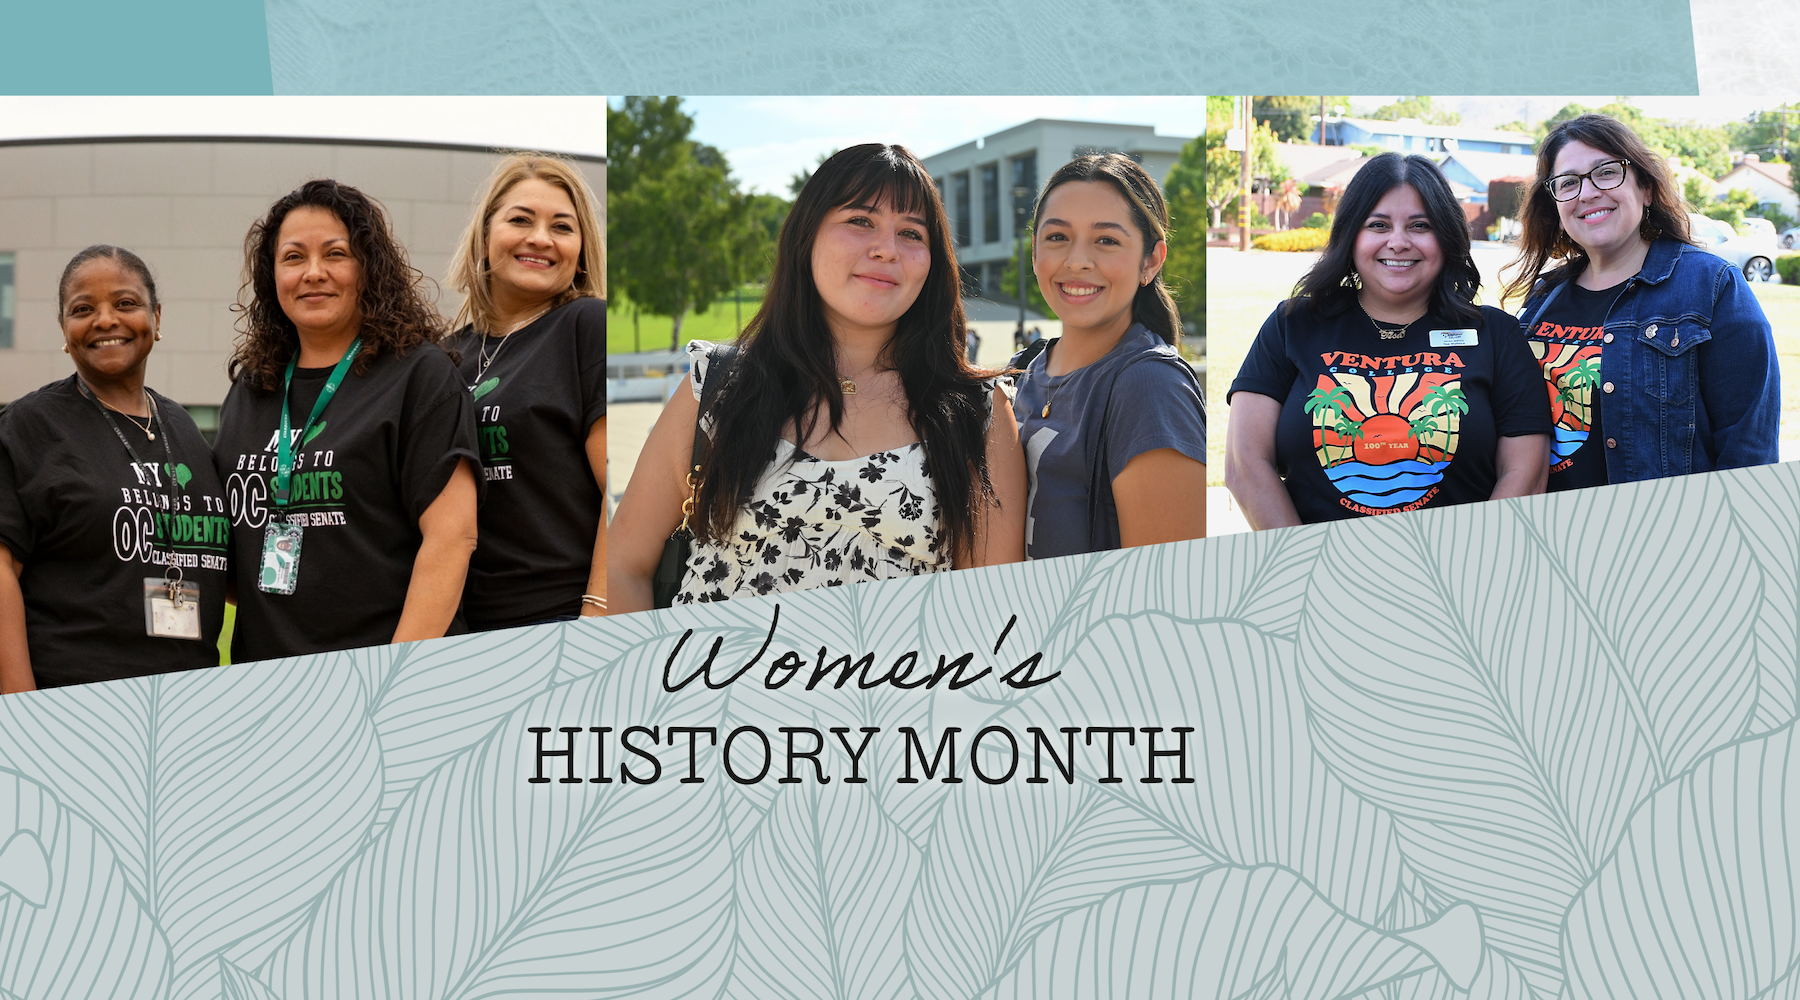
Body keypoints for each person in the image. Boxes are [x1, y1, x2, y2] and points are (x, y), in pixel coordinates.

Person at [608, 143, 1026, 610]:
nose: (886, 249)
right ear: (807, 237)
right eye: (860, 221)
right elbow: (623, 566)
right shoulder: (719, 385)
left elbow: (989, 612)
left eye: (912, 233)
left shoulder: (979, 412)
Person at [214, 179, 480, 661]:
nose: (313, 273)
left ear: (368, 269)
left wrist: (397, 676)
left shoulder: (419, 376)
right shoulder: (253, 388)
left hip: (382, 679)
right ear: (271, 277)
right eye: (293, 257)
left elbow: (452, 538)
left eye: (336, 254)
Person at [1226, 153, 1550, 526]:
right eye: (1378, 225)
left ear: (1445, 237)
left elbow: (1527, 473)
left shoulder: (1495, 335)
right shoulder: (1292, 325)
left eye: (1420, 226)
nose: (1398, 242)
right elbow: (1244, 463)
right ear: (1351, 235)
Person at [1501, 113, 1778, 488]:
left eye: (1606, 172)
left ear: (1645, 188)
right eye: (1568, 183)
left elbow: (1749, 454)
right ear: (1555, 205)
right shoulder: (1543, 298)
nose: (1587, 193)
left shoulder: (1711, 286)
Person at [0, 246, 230, 691]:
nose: (105, 320)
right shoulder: (29, 427)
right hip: (73, 707)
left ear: (156, 317)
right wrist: (19, 710)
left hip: (191, 704)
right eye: (83, 309)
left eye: (125, 303)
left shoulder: (180, 427)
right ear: (65, 330)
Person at [1011, 153, 1207, 557]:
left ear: (1150, 261)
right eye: (1057, 237)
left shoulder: (1152, 388)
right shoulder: (1019, 373)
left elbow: (1164, 593)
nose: (1077, 261)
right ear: (1035, 252)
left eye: (1107, 240)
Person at [444, 154, 607, 629]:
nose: (540, 238)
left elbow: (623, 495)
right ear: (486, 233)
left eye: (562, 227)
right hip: (460, 627)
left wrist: (597, 615)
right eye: (520, 220)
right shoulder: (446, 355)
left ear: (580, 249)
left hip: (558, 619)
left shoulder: (586, 326)